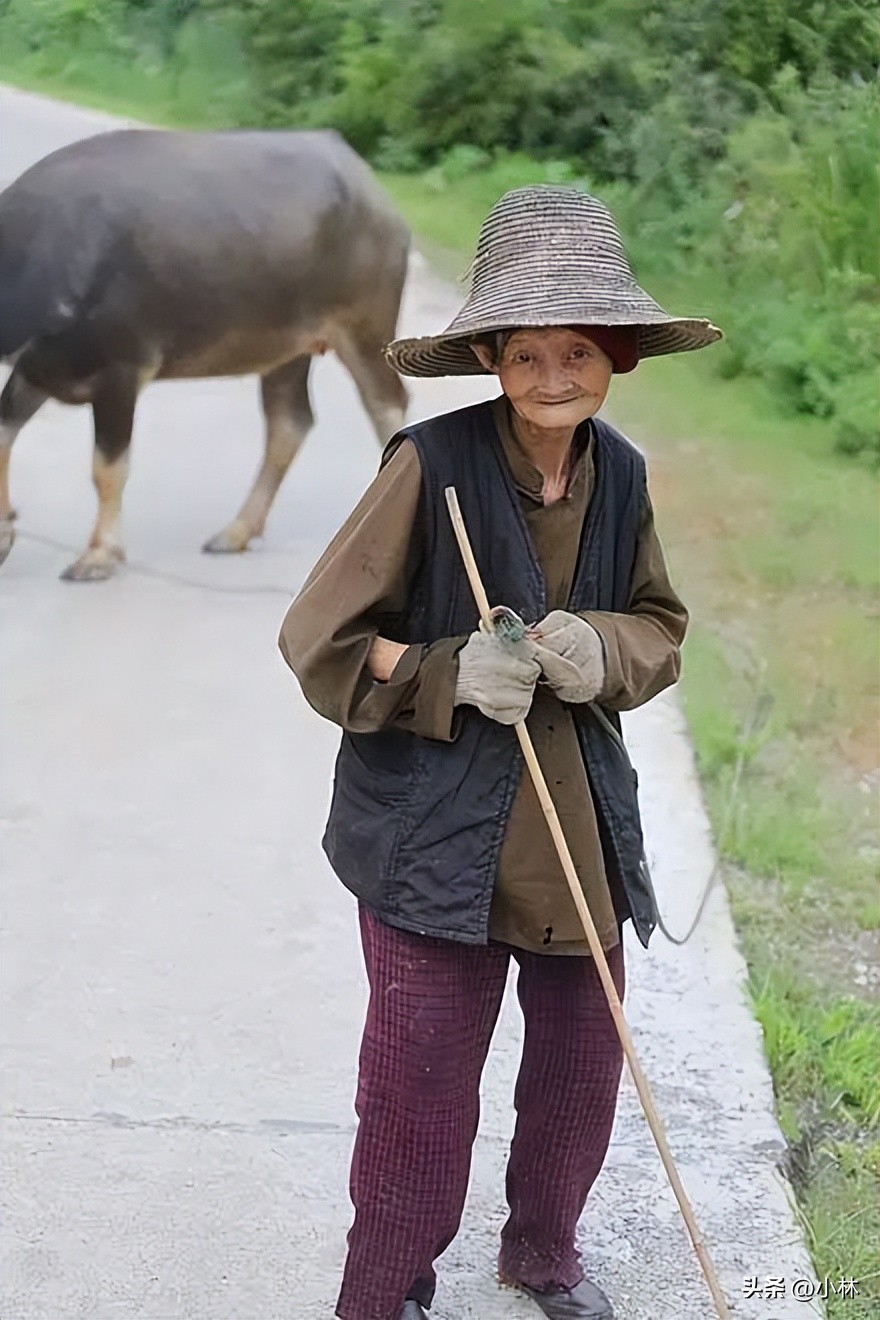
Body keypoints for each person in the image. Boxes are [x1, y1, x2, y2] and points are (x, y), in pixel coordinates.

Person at [278, 185, 721, 1320]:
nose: (554, 374)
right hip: (434, 837)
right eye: (528, 353)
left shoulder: (618, 472)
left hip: (575, 825)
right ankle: (385, 1291)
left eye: (579, 350)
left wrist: (597, 647)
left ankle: (544, 1254)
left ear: (614, 355)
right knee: (419, 1088)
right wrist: (438, 671)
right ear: (490, 355)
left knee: (580, 1069)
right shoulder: (429, 466)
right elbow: (319, 636)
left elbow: (659, 627)